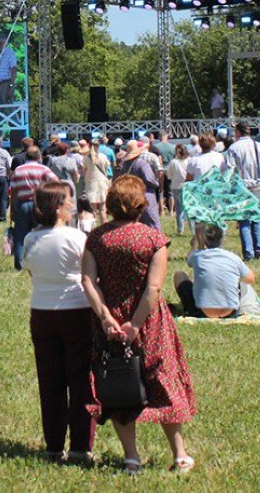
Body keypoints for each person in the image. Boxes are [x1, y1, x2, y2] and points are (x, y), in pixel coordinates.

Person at [81, 175, 196, 474]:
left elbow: (88, 281)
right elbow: (153, 289)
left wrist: (106, 318)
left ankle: (131, 458)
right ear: (141, 205)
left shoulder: (96, 238)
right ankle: (180, 455)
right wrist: (135, 324)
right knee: (164, 380)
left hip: (111, 320)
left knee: (118, 383)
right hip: (150, 319)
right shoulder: (154, 239)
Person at [20, 181, 94, 464]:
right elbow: (90, 274)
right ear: (58, 207)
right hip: (76, 311)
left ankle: (53, 445)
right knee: (80, 380)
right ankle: (80, 447)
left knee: (50, 381)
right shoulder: (77, 237)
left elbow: (31, 273)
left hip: (42, 311)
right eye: (68, 201)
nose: (72, 205)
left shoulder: (30, 239)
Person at [172, 225, 260, 317]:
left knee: (179, 275)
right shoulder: (233, 258)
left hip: (200, 312)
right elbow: (250, 279)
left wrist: (196, 243)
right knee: (238, 280)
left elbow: (189, 260)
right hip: (230, 313)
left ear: (205, 240)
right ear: (223, 239)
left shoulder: (197, 257)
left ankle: (188, 308)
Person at [225, 123, 260, 260]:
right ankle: (259, 251)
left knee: (244, 222)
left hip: (242, 188)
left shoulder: (234, 148)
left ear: (238, 132)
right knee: (256, 220)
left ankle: (248, 253)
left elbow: (230, 171)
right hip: (258, 187)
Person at [9, 147, 58, 269]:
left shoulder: (18, 170)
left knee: (20, 235)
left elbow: (13, 190)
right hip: (39, 204)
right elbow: (56, 181)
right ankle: (41, 262)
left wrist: (13, 207)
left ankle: (19, 264)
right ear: (39, 156)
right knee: (41, 233)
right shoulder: (43, 169)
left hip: (22, 203)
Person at [79, 140, 112, 227]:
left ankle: (94, 229)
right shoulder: (103, 156)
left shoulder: (86, 158)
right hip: (102, 183)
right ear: (99, 146)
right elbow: (106, 169)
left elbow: (84, 172)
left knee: (93, 209)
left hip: (91, 183)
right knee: (103, 208)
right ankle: (104, 228)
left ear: (89, 146)